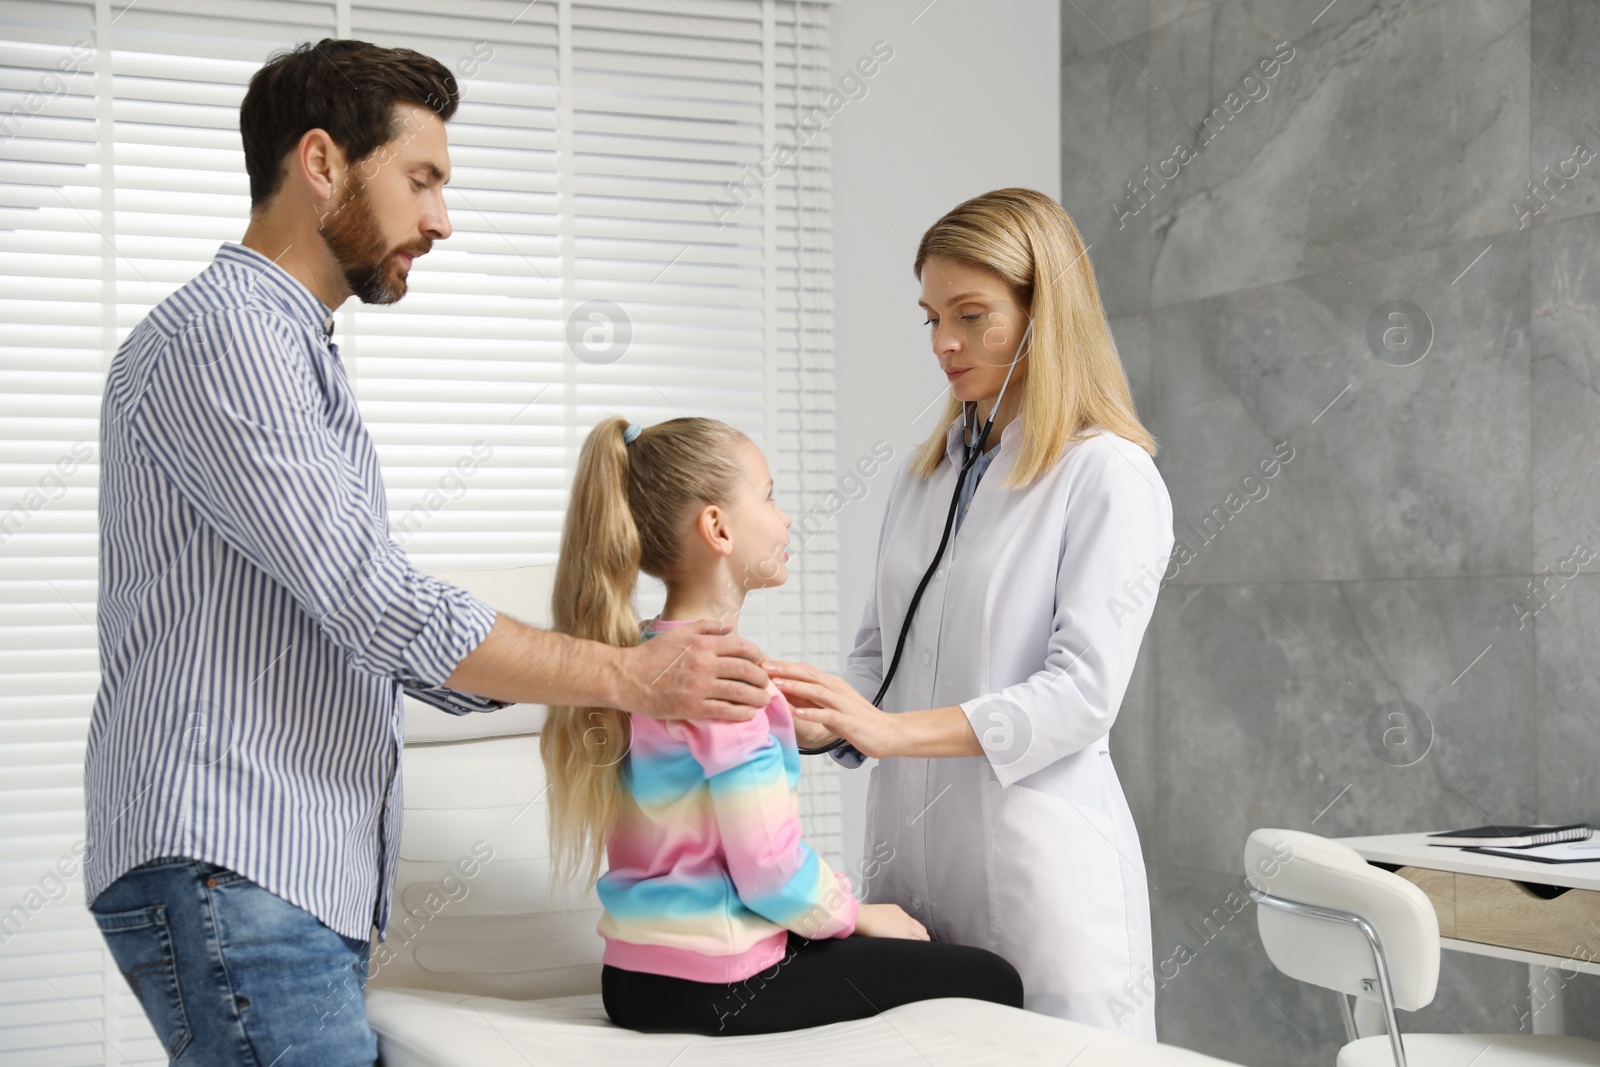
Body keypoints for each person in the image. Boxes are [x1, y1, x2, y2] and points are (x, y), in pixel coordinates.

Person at [84, 40, 771, 1065]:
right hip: (234, 852)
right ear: (321, 162)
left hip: (266, 866)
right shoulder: (226, 335)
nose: (440, 218)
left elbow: (355, 615)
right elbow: (374, 601)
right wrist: (627, 673)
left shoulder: (282, 345)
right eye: (423, 178)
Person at [766, 188, 1174, 1039]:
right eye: (931, 317)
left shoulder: (1107, 475)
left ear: (1043, 311)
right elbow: (880, 655)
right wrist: (795, 716)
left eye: (972, 314)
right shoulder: (924, 477)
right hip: (910, 874)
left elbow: (1081, 694)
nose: (944, 342)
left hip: (1041, 878)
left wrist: (890, 732)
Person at [541, 416, 1025, 1036]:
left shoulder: (632, 660)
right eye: (769, 497)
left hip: (633, 982)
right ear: (717, 528)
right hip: (719, 982)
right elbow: (770, 873)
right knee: (992, 979)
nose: (786, 518)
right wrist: (857, 913)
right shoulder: (728, 681)